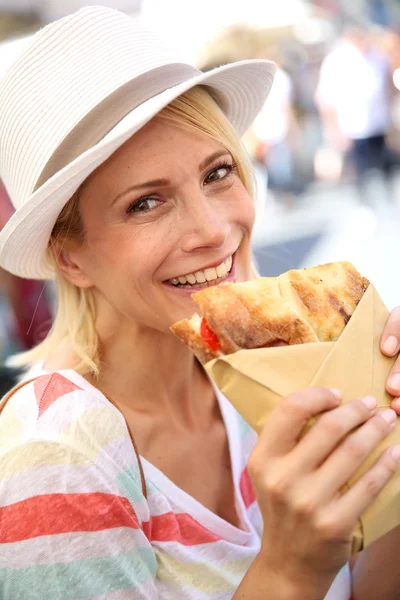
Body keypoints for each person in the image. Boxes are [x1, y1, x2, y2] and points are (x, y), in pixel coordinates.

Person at [1, 7, 400, 599]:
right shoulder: (53, 455)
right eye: (145, 203)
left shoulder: (257, 366)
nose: (214, 229)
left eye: (217, 172)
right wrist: (289, 571)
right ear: (69, 257)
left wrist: (387, 458)